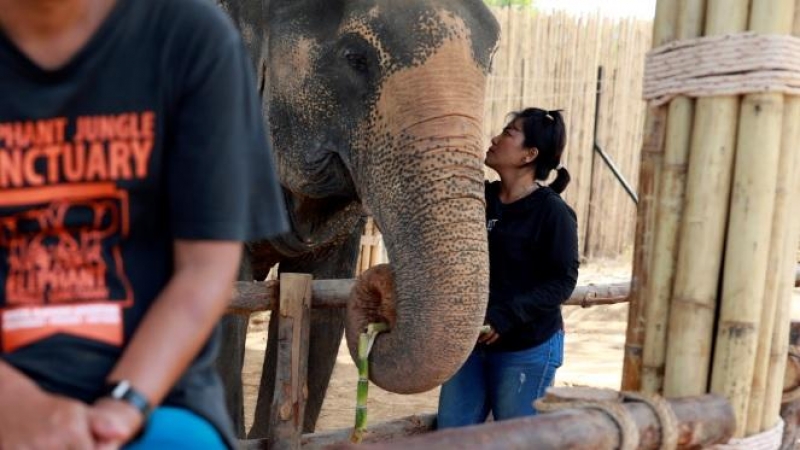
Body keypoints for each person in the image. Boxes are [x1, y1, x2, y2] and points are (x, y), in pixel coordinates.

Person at [0, 0, 288, 448]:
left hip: (154, 395)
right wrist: (16, 407)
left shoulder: (191, 39)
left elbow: (205, 269)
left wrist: (122, 405)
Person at [437, 107, 579, 428]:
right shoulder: (480, 198)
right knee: (451, 435)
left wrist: (506, 316)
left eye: (509, 133)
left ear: (529, 154)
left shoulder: (552, 213)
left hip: (527, 348)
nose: (495, 138)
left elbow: (562, 281)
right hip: (470, 344)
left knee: (515, 441)